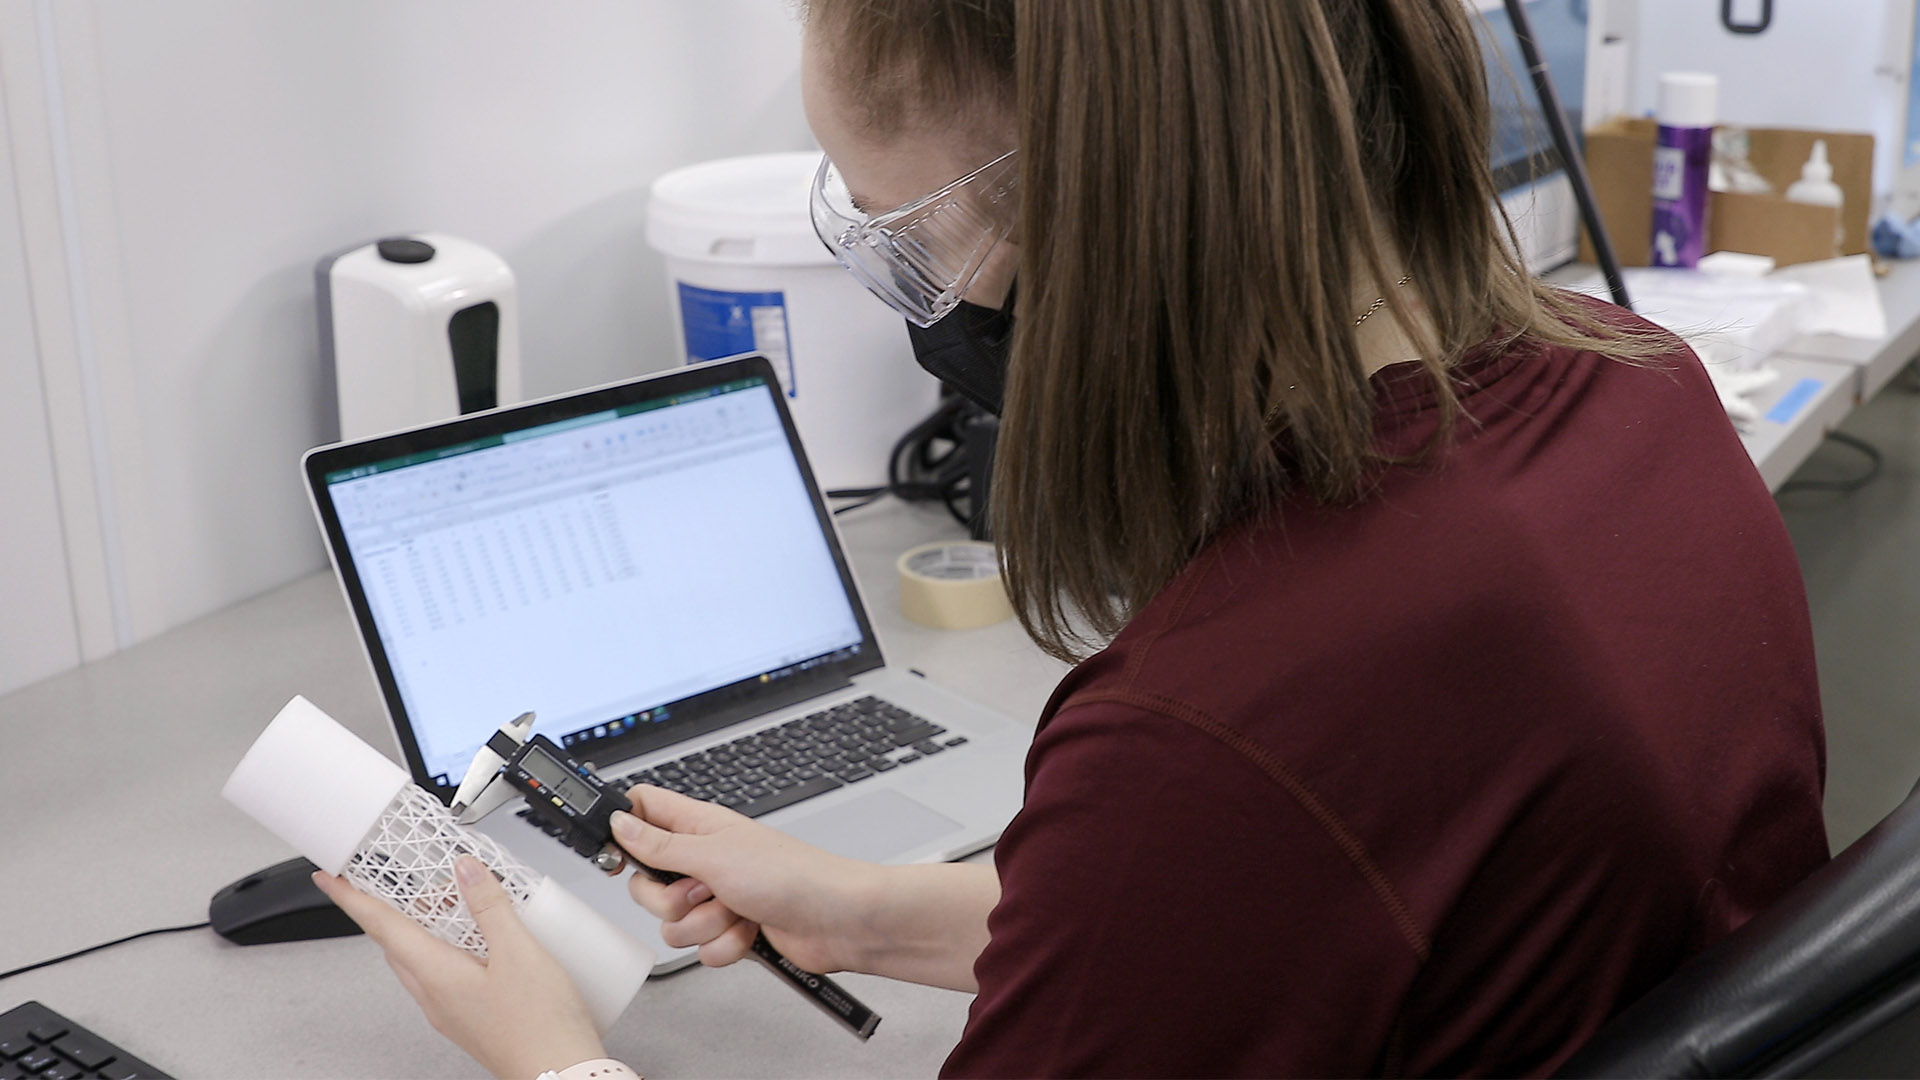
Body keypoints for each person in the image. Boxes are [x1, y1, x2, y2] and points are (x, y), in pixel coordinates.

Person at [314, 1, 1830, 1076]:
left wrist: (549, 1059)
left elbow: (1230, 849)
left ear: (1102, 204)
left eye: (907, 242)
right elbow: (1316, 913)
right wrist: (869, 910)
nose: (919, 314)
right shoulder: (1641, 393)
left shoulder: (1219, 732)